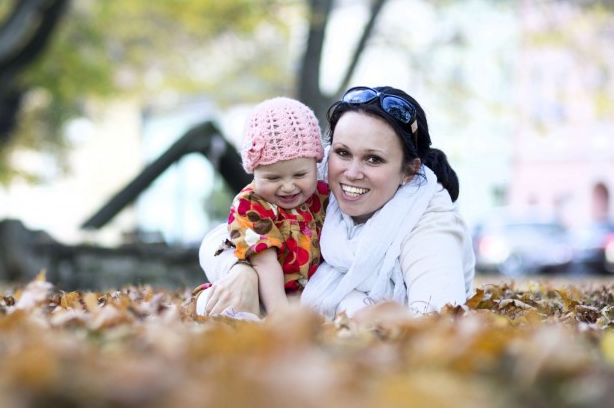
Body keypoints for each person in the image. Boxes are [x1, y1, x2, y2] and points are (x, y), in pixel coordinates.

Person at [198, 86, 475, 318]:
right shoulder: (314, 177)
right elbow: (221, 235)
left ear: (409, 171)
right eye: (343, 152)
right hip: (300, 339)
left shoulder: (428, 217)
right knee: (216, 302)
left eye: (373, 159)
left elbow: (440, 318)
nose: (352, 173)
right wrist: (242, 270)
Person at [195, 97, 330, 317]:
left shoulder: (323, 196)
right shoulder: (252, 204)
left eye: (300, 174)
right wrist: (280, 314)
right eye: (272, 177)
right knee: (230, 310)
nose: (288, 187)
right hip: (260, 295)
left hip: (307, 297)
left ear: (316, 165)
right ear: (254, 172)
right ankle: (205, 306)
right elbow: (265, 263)